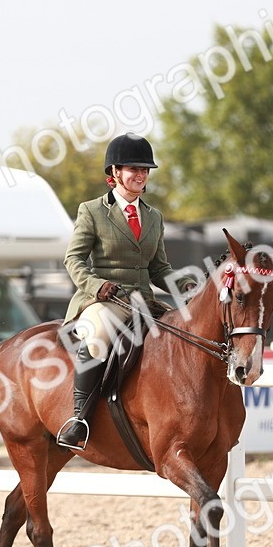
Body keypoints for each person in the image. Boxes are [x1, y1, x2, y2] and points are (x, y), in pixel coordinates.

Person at [56, 133, 198, 450]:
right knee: (98, 337)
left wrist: (184, 285)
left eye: (145, 170)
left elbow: (159, 268)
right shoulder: (91, 211)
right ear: (115, 172)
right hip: (104, 300)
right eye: (133, 169)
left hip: (144, 301)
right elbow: (73, 259)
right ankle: (79, 419)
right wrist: (97, 285)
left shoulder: (154, 217)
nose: (140, 175)